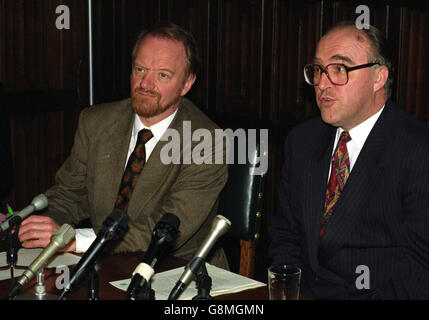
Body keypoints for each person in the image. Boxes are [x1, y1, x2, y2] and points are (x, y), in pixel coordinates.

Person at [17, 22, 229, 269]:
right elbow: (70, 194)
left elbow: (167, 229)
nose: (146, 84)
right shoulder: (95, 122)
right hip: (104, 266)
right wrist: (41, 226)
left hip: (178, 270)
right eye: (140, 69)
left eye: (162, 75)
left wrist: (77, 239)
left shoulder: (207, 141)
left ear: (187, 84)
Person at [269, 21, 429, 299]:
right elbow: (285, 236)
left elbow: (420, 271)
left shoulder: (418, 149)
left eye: (339, 69)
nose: (321, 83)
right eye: (318, 70)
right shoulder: (302, 140)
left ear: (378, 78)